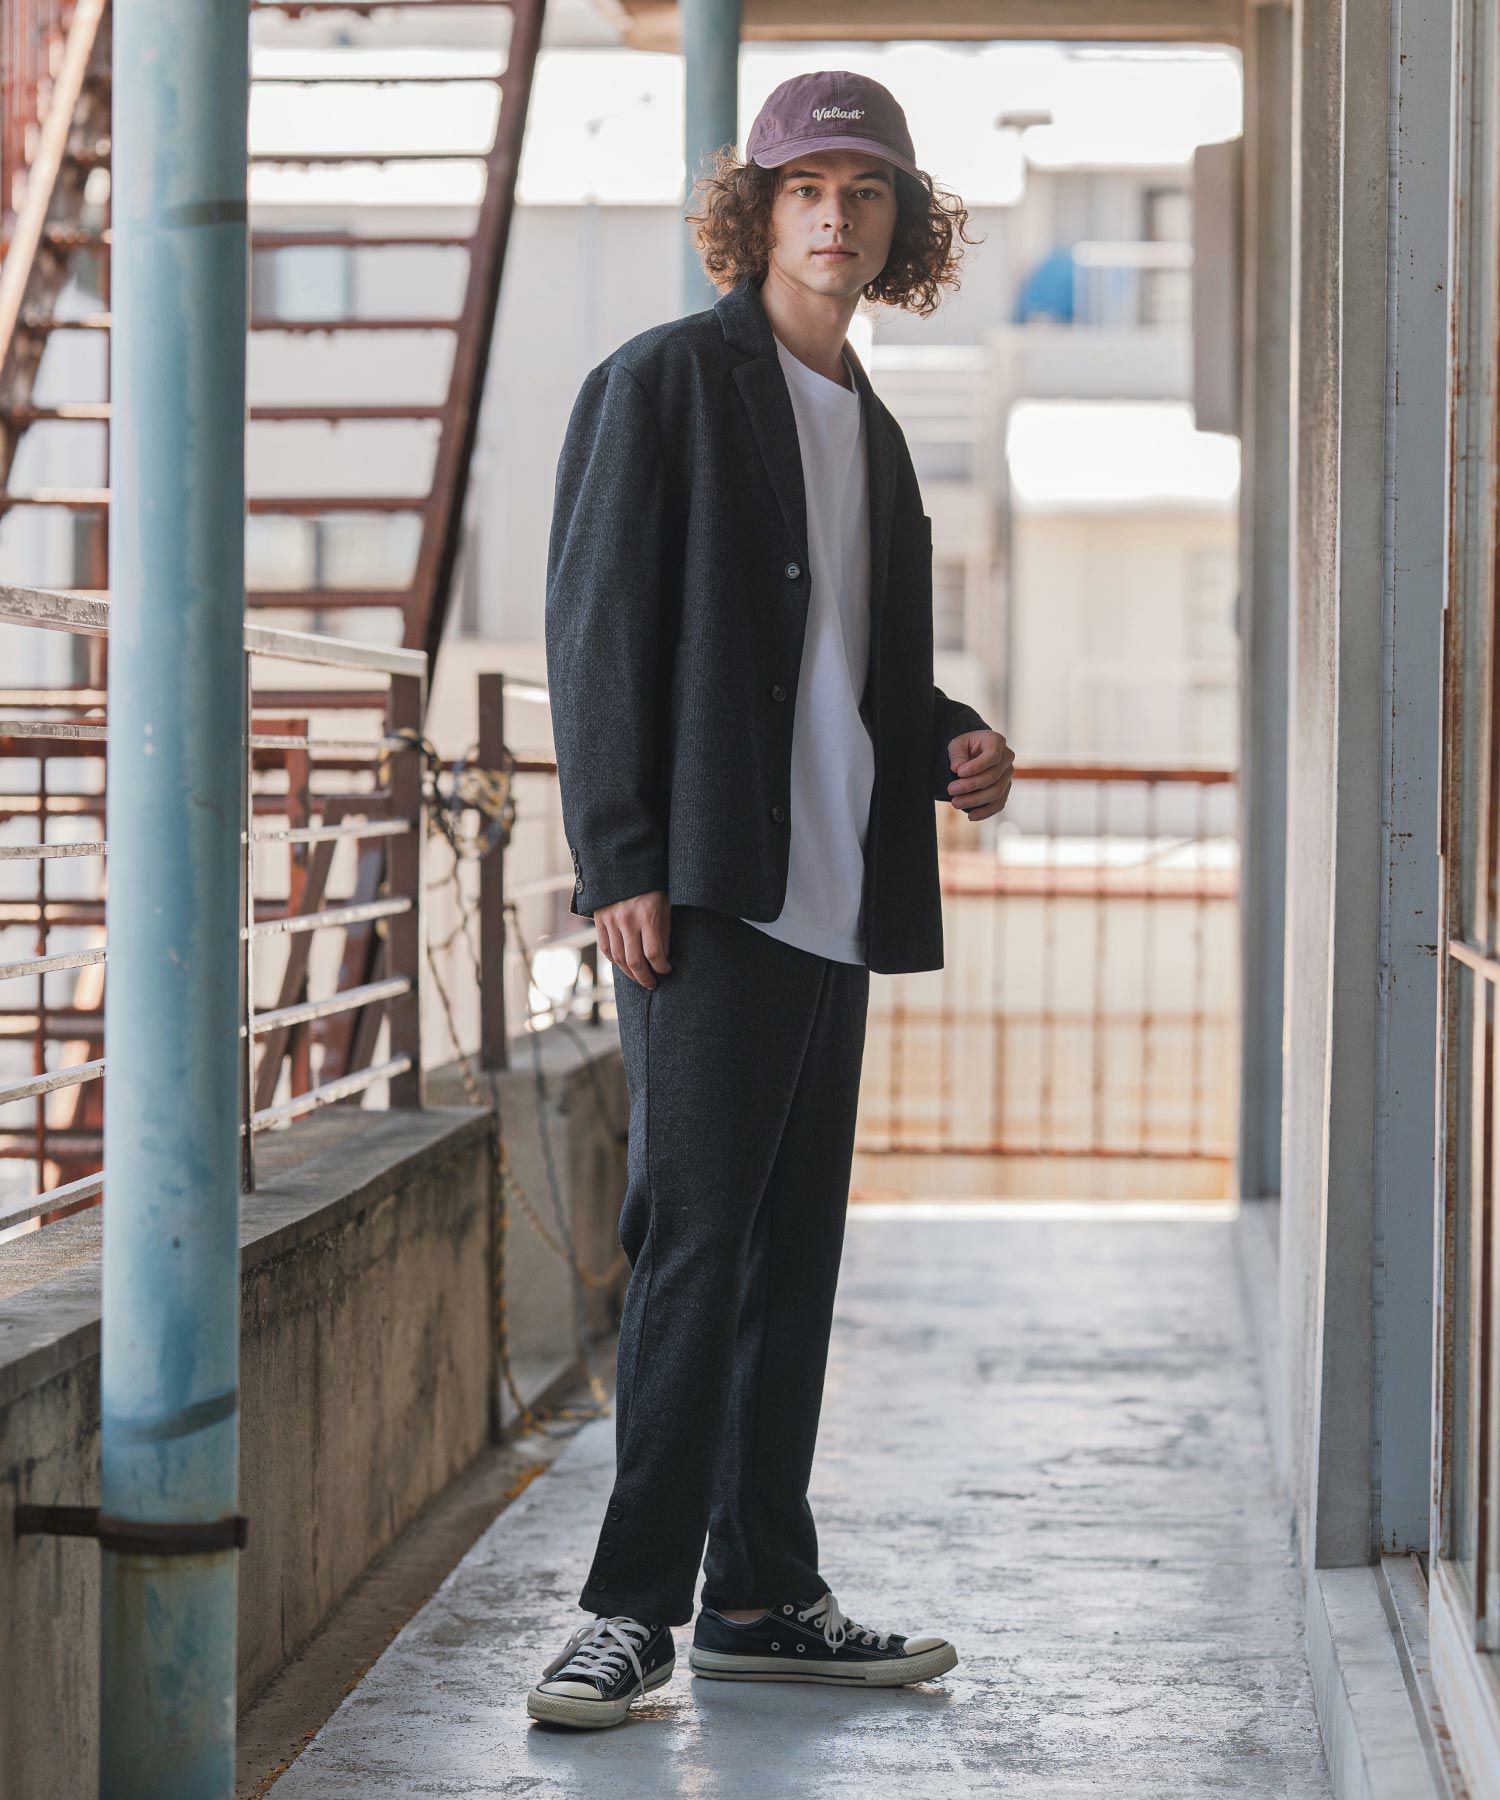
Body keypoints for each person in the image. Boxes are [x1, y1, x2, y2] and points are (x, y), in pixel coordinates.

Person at [528, 68, 1015, 1731]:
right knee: (689, 1247)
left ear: (898, 227)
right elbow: (595, 627)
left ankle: (758, 1594)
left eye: (865, 192)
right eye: (806, 188)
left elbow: (856, 675)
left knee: (790, 1258)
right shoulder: (663, 383)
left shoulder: (870, 430)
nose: (834, 216)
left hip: (834, 892)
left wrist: (952, 740)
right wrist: (620, 856)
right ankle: (627, 1615)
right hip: (711, 887)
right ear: (757, 213)